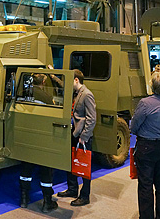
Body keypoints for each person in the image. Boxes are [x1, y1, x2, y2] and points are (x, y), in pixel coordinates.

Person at [130, 72, 160, 219]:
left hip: (146, 147)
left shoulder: (145, 103)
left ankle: (146, 216)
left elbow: (134, 126)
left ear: (152, 85)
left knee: (146, 185)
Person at [57, 69, 96, 206]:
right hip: (74, 133)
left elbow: (92, 118)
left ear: (76, 80)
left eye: (69, 80)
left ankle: (85, 196)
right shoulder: (76, 93)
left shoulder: (87, 95)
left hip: (83, 137)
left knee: (84, 166)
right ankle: (72, 189)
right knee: (71, 162)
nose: (67, 84)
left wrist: (84, 136)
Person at [19, 73, 57, 213]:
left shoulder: (23, 93)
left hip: (27, 135)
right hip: (43, 138)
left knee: (25, 170)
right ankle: (47, 202)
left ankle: (23, 199)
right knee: (46, 171)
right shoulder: (46, 97)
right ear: (44, 81)